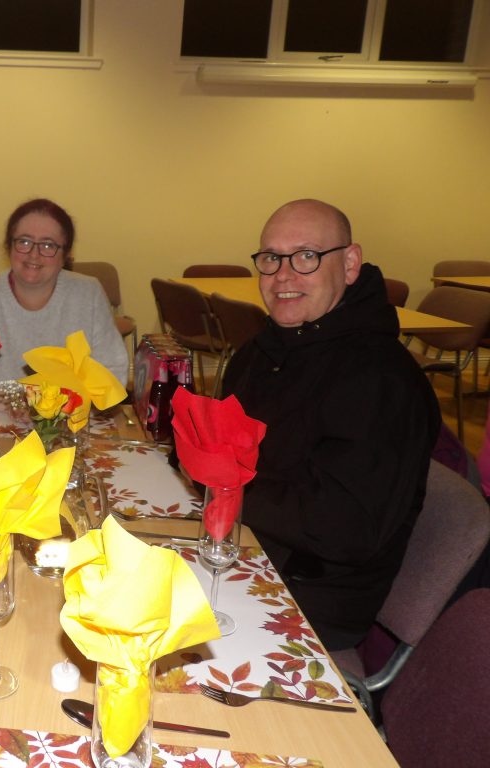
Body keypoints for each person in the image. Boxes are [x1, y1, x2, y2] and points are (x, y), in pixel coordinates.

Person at [220, 199, 441, 651]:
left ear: (350, 263)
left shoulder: (382, 380)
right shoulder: (263, 351)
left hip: (309, 601)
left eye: (306, 256)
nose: (283, 276)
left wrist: (224, 484)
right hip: (247, 547)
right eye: (271, 258)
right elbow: (223, 443)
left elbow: (344, 528)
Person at [0, 198, 129, 411]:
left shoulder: (88, 294)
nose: (34, 254)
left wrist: (54, 406)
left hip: (68, 420)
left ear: (66, 254)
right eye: (24, 242)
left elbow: (114, 374)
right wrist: (10, 401)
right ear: (9, 246)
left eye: (48, 245)